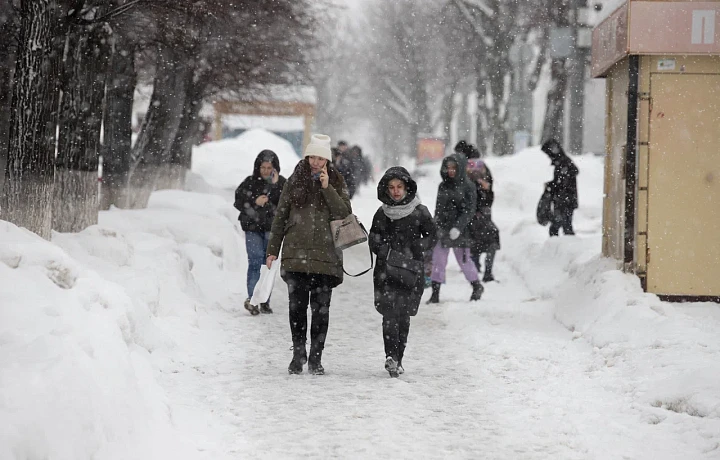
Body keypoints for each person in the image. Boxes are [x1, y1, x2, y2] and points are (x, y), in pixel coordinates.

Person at [266, 134, 352, 375]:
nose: (315, 162)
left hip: (326, 258)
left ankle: (316, 357)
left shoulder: (336, 180)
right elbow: (281, 216)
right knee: (296, 308)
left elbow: (344, 213)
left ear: (327, 159)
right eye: (312, 156)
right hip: (296, 256)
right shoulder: (294, 180)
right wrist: (273, 250)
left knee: (321, 310)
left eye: (320, 158)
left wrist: (327, 189)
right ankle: (297, 353)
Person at [369, 167, 436, 378]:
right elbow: (374, 237)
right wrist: (383, 250)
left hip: (410, 270)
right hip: (386, 271)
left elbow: (433, 235)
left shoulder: (420, 211)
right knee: (389, 315)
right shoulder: (382, 213)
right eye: (391, 188)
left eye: (399, 187)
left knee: (403, 316)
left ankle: (399, 358)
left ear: (407, 188)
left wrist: (417, 247)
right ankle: (391, 357)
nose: (396, 192)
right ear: (386, 190)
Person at [234, 150, 286, 315]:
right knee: (255, 261)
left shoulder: (282, 184)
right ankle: (253, 300)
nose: (265, 170)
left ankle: (264, 300)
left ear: (275, 168)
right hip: (252, 228)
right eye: (262, 167)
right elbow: (238, 201)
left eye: (269, 167)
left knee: (268, 264)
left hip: (272, 229)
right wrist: (254, 201)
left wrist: (276, 185)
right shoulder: (249, 183)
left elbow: (286, 203)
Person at [428, 153, 484, 303]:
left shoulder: (469, 186)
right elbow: (438, 208)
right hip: (443, 228)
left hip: (462, 230)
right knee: (438, 260)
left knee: (464, 261)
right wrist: (435, 225)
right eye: (448, 168)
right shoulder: (443, 186)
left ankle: (476, 286)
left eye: (454, 168)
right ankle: (435, 293)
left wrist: (458, 227)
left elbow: (469, 210)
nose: (451, 170)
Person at [466, 159, 500, 282]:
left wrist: (487, 190)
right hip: (472, 221)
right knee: (475, 245)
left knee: (491, 242)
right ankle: (475, 271)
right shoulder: (466, 183)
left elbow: (488, 203)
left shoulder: (484, 183)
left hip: (484, 220)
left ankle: (487, 272)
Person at [541, 139, 579, 237]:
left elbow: (564, 181)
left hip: (566, 200)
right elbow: (560, 181)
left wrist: (552, 186)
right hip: (563, 199)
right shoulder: (561, 162)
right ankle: (563, 247)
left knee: (562, 226)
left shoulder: (564, 162)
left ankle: (568, 248)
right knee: (562, 226)